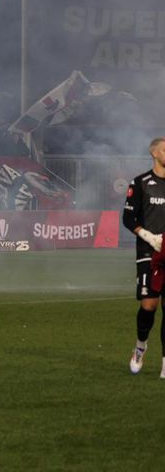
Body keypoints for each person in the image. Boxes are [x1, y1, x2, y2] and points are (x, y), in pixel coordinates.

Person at [122, 136, 165, 376]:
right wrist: (149, 237)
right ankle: (140, 346)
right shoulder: (140, 183)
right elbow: (128, 218)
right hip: (149, 251)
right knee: (149, 305)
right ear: (154, 153)